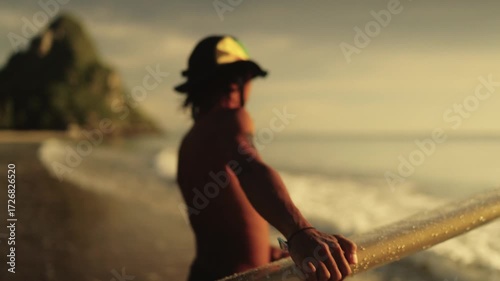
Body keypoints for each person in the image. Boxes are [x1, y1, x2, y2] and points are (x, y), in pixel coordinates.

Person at [174, 35, 358, 281]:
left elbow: (219, 227)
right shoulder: (232, 118)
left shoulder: (190, 142)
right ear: (238, 82)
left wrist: (268, 251)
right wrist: (300, 231)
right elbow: (250, 168)